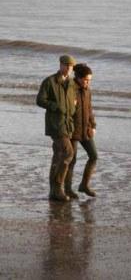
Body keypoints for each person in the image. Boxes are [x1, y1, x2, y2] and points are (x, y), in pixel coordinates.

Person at [36, 55, 77, 202]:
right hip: (55, 124)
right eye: (66, 66)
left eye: (71, 67)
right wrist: (55, 106)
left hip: (68, 125)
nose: (69, 69)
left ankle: (53, 191)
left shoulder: (72, 83)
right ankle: (58, 187)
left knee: (58, 155)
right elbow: (39, 100)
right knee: (68, 153)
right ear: (60, 65)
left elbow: (74, 102)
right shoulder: (50, 81)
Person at [65, 63, 98, 198]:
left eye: (89, 80)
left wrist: (93, 125)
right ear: (78, 77)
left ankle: (84, 185)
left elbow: (90, 110)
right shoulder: (70, 89)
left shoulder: (88, 91)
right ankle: (67, 189)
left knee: (94, 156)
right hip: (72, 131)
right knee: (72, 160)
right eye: (86, 80)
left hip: (86, 130)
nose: (88, 82)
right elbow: (65, 111)